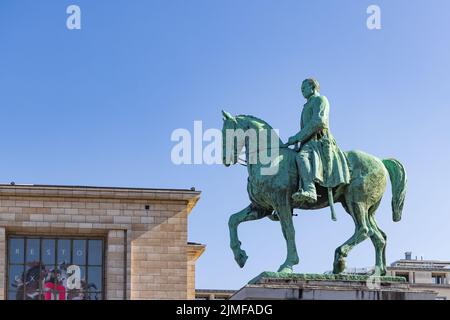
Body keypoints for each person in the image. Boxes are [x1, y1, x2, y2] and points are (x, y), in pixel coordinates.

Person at [285, 78, 350, 204]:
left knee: (301, 158)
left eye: (304, 88)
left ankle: (310, 190)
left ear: (313, 87)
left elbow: (319, 121)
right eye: (301, 89)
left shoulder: (320, 100)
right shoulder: (306, 106)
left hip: (319, 140)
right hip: (307, 142)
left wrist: (296, 137)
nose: (302, 91)